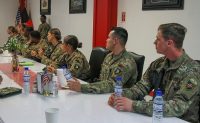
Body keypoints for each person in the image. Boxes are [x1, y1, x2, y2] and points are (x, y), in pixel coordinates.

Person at [108, 23, 200, 123]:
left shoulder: (193, 70)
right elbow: (141, 87)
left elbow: (178, 106)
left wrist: (133, 105)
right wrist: (121, 95)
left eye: (158, 39)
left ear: (169, 43)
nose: (154, 42)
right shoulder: (158, 64)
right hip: (157, 118)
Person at [67, 27, 138, 94]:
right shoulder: (109, 56)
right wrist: (82, 84)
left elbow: (111, 85)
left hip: (119, 99)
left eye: (108, 37)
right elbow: (102, 80)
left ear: (115, 41)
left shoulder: (126, 63)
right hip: (103, 94)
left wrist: (82, 87)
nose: (106, 40)